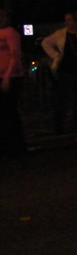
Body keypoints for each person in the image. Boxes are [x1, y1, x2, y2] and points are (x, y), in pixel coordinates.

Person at [0, 10, 26, 157]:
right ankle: (6, 144)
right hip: (2, 75)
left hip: (11, 76)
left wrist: (7, 76)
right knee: (4, 112)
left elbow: (15, 54)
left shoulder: (10, 32)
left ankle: (15, 146)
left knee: (9, 111)